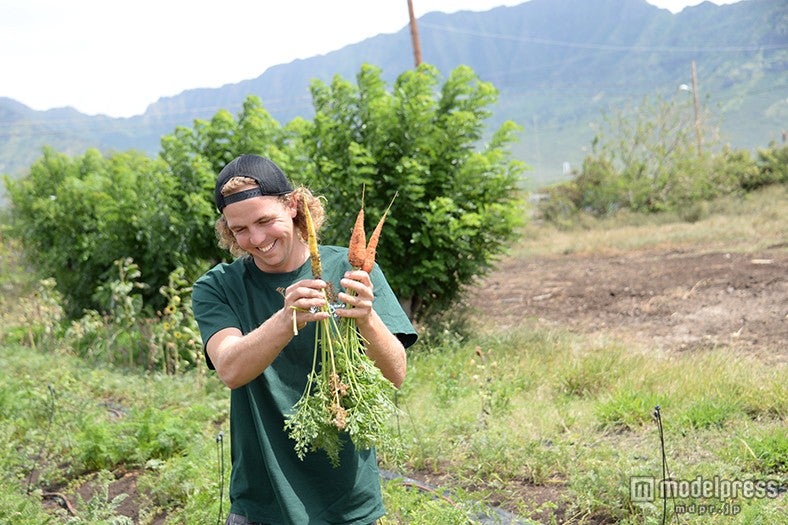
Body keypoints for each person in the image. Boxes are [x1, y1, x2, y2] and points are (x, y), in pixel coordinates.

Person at [191, 154, 418, 525]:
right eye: (241, 230)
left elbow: (395, 373)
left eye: (265, 221)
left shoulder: (351, 268)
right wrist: (285, 320)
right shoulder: (218, 286)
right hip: (261, 504)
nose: (257, 239)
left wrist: (368, 319)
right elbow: (230, 369)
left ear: (294, 205)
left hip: (348, 504)